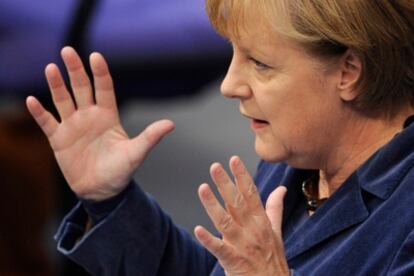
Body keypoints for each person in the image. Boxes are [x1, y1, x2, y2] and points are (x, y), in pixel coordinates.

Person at [26, 0, 414, 275]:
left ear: (349, 71)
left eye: (259, 63)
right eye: (233, 54)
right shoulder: (296, 164)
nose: (229, 85)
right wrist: (110, 202)